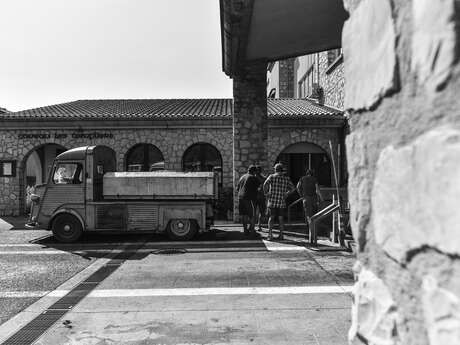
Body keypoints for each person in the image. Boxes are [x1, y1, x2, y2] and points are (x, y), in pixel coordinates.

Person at [263, 163, 296, 240]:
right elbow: (293, 188)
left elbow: (265, 184)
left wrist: (266, 193)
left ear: (275, 169)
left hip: (272, 201)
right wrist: (287, 194)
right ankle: (281, 235)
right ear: (282, 170)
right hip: (281, 202)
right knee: (281, 219)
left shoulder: (271, 177)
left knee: (271, 218)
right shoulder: (286, 178)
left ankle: (270, 235)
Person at [237, 165, 260, 235]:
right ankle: (252, 230)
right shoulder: (253, 177)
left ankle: (245, 230)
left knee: (244, 214)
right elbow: (259, 188)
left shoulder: (242, 177)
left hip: (240, 198)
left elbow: (237, 188)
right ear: (254, 172)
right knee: (252, 215)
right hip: (249, 198)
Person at [254, 165, 266, 231]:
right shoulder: (263, 178)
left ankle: (255, 225)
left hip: (255, 197)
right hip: (261, 197)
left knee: (254, 211)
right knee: (261, 212)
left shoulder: (252, 178)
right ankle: (259, 225)